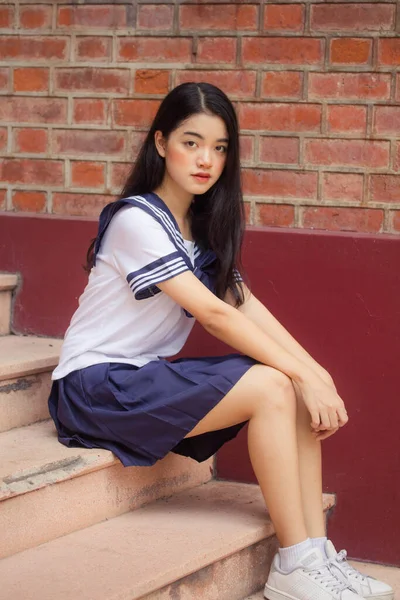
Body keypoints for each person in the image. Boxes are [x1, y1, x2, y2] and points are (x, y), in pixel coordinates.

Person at [48, 82, 393, 600]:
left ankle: (316, 557)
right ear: (161, 143)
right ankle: (294, 565)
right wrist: (301, 376)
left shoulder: (199, 228)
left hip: (136, 378)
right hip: (91, 388)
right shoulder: (136, 219)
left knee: (287, 380)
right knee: (275, 385)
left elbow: (245, 305)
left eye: (219, 147)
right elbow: (212, 313)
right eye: (191, 142)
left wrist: (316, 374)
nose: (206, 159)